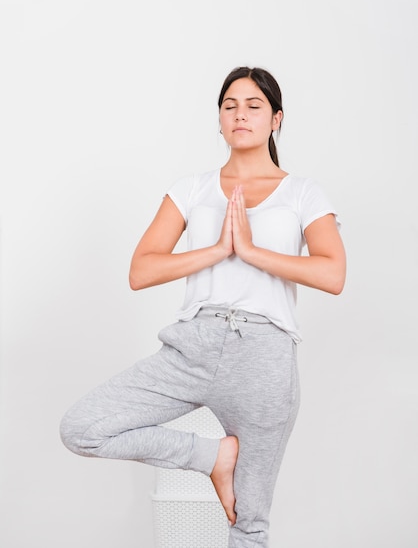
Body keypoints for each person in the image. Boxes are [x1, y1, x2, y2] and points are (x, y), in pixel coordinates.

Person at [60, 66, 346, 547]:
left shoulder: (303, 193)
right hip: (192, 344)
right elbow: (141, 271)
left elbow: (332, 274)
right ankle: (213, 458)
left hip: (264, 357)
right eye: (230, 105)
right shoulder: (191, 188)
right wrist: (217, 249)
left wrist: (252, 251)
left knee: (249, 521)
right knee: (82, 429)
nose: (240, 114)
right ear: (218, 120)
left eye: (254, 105)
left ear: (276, 119)